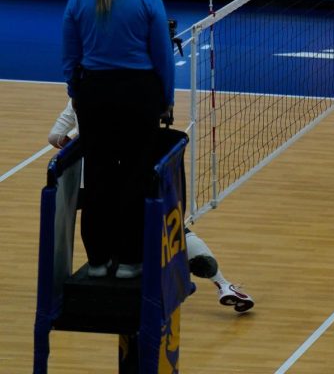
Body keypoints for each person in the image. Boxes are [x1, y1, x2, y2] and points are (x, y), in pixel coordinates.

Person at [46, 99, 254, 309]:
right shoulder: (135, 87)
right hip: (133, 181)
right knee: (172, 229)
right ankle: (222, 283)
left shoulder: (81, 91)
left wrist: (80, 140)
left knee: (114, 233)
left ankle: (108, 267)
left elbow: (54, 137)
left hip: (90, 188)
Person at [62, 0, 173, 280]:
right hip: (138, 96)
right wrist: (165, 100)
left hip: (95, 95)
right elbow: (163, 58)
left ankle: (96, 260)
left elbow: (70, 57)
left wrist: (78, 94)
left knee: (97, 175)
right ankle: (129, 260)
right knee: (136, 175)